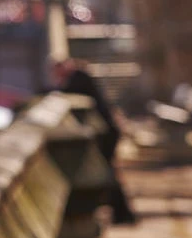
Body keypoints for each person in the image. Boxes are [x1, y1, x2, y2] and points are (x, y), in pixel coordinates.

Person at [50, 58, 138, 224]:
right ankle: (123, 214)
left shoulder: (79, 77)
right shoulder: (80, 76)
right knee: (109, 172)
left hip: (106, 132)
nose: (56, 75)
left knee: (108, 173)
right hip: (106, 130)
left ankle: (124, 214)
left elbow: (67, 92)